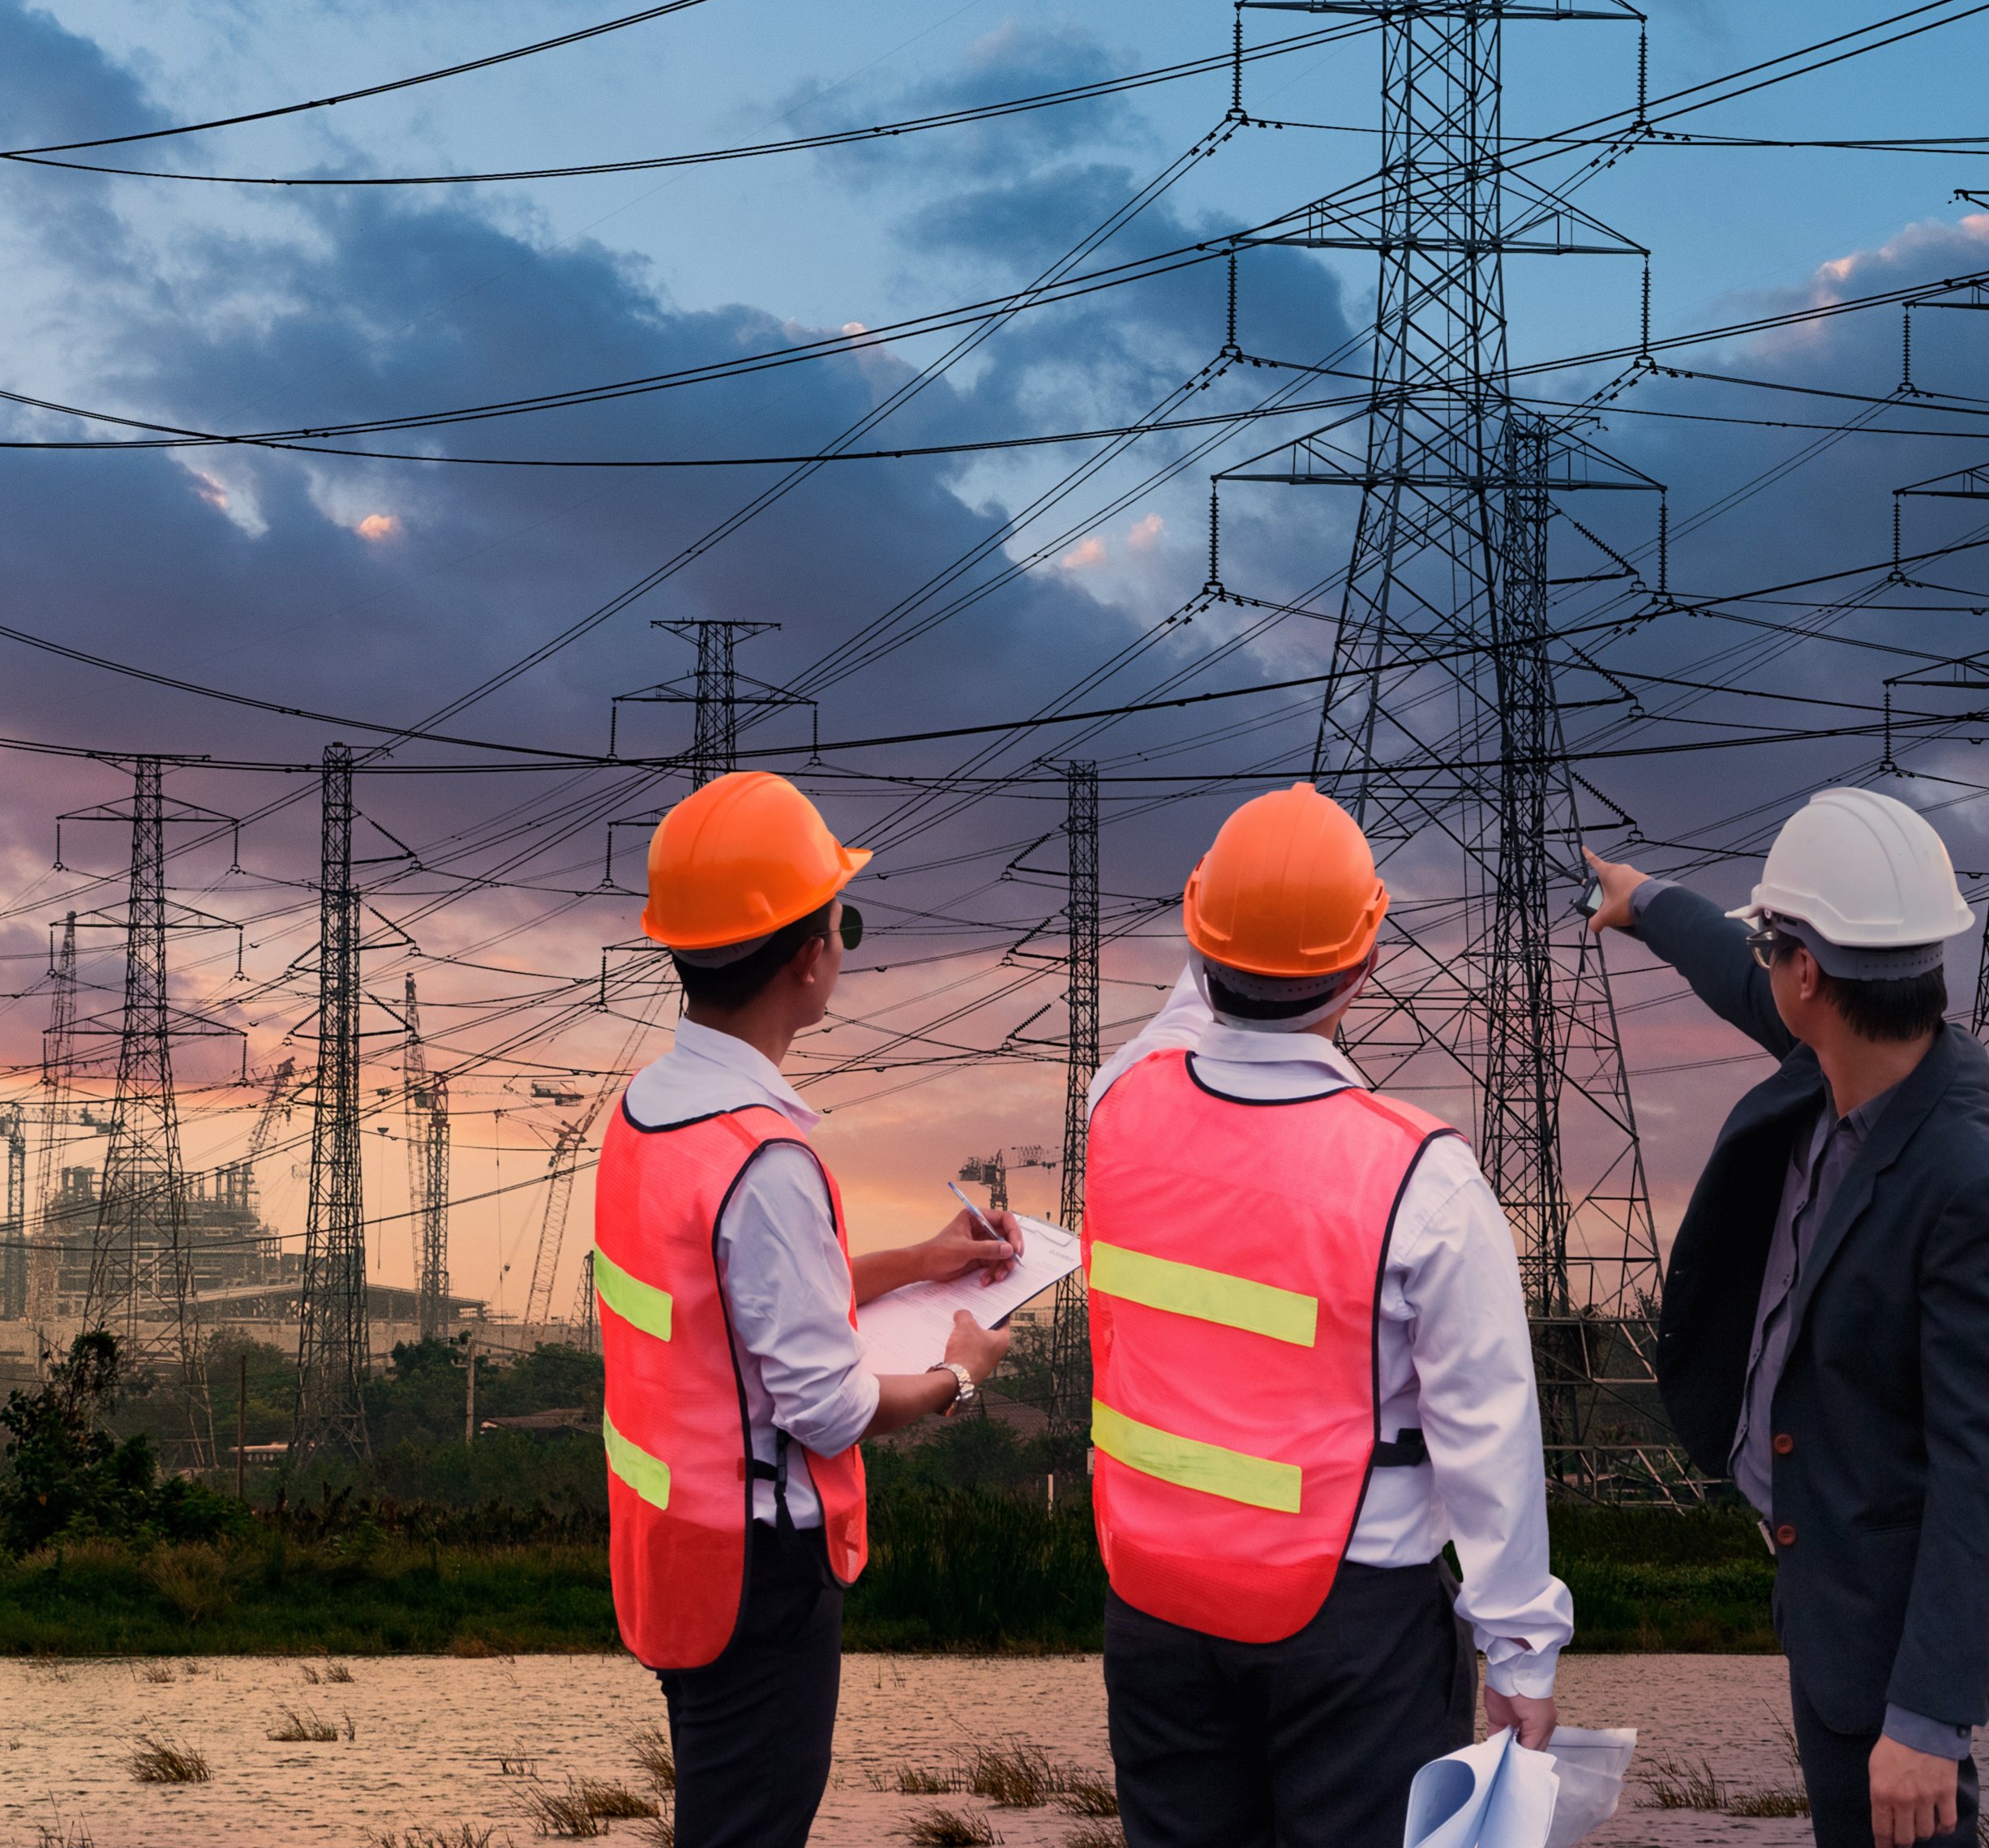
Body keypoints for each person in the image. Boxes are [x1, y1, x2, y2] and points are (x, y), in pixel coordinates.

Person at [1085, 783, 1573, 1848]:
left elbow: (1181, 1018)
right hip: (1352, 1626)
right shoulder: (1420, 1179)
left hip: (1158, 1608)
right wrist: (1523, 1655)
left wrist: (1231, 918)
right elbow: (1490, 1434)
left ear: (1196, 931)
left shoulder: (1120, 1107)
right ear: (1366, 958)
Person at [1588, 788, 1989, 1848]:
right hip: (1821, 1569)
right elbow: (1730, 970)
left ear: (1808, 976)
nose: (1762, 970)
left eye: (1774, 948)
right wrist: (1645, 900)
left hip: (1882, 1636)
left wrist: (1930, 1716)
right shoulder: (1841, 1057)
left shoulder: (1973, 1185)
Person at [598, 769, 1023, 1848]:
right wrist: (961, 1374)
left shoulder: (647, 1117)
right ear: (810, 956)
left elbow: (735, 1305)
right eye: (844, 919)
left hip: (669, 1544)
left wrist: (925, 1259)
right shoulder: (765, 1158)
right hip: (760, 1573)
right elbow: (825, 1406)